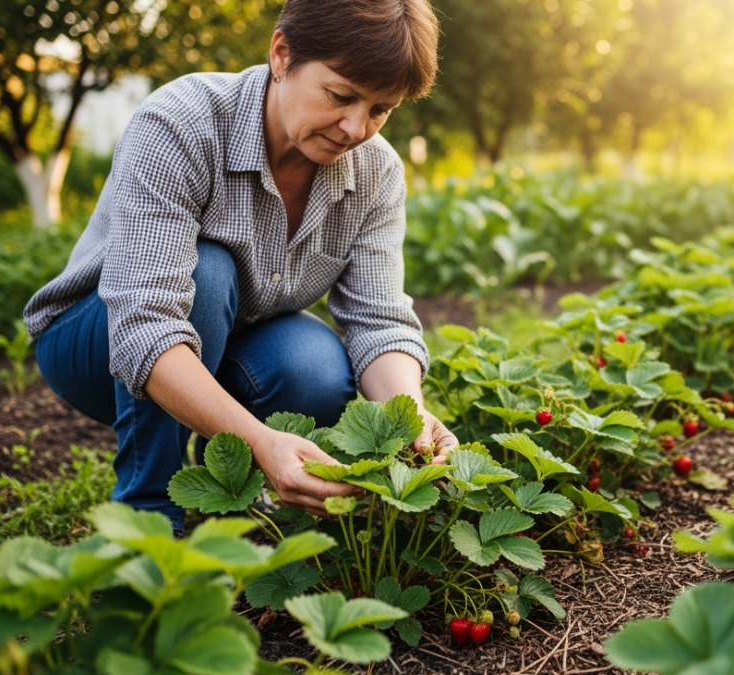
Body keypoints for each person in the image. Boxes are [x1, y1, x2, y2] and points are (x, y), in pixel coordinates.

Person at [24, 0, 456, 529]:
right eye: (341, 95)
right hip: (96, 344)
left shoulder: (376, 173)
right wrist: (258, 439)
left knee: (317, 368)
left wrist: (411, 416)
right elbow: (144, 324)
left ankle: (230, 492)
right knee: (206, 273)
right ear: (282, 54)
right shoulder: (181, 123)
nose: (354, 127)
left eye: (380, 109)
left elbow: (379, 318)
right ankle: (149, 515)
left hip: (227, 341)